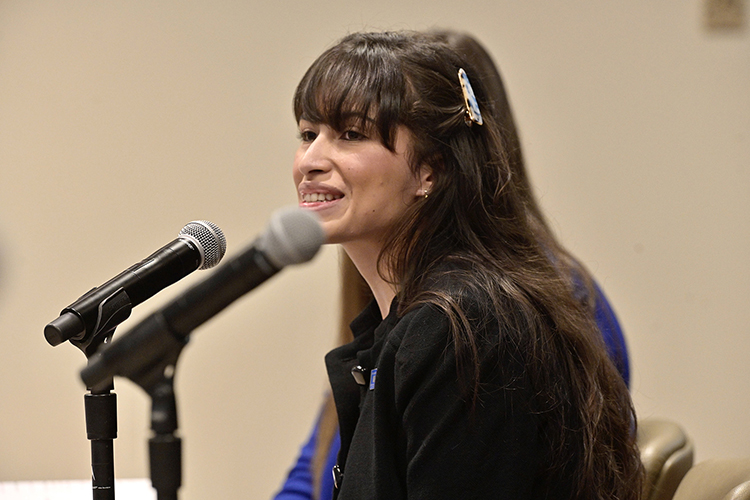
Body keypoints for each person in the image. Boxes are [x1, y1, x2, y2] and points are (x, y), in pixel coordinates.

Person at [277, 30, 642, 499]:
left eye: (350, 134)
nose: (310, 160)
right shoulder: (408, 322)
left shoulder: (464, 327)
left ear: (431, 170)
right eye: (308, 134)